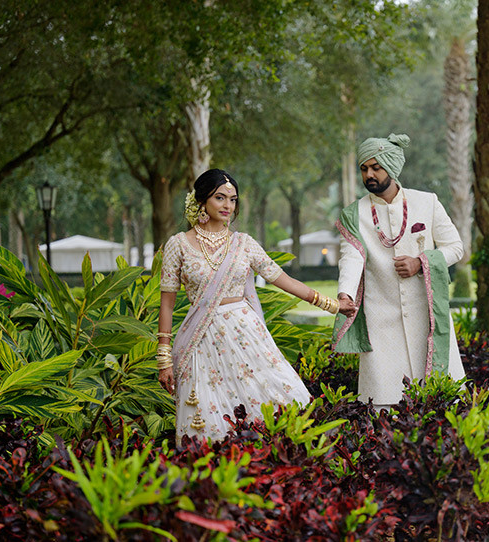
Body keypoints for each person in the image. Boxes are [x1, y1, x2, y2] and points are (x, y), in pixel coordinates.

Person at [157, 169, 339, 442]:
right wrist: (163, 358)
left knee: (275, 397)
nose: (228, 205)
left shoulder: (244, 244)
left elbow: (285, 280)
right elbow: (167, 305)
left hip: (246, 335)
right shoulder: (178, 245)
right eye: (220, 198)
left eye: (233, 199)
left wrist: (331, 304)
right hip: (201, 338)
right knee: (209, 415)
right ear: (202, 200)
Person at [333, 133, 466, 409]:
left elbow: (456, 248)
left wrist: (421, 262)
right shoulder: (354, 213)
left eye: (376, 167)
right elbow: (351, 257)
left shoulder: (426, 202)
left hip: (426, 314)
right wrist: (345, 293)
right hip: (380, 317)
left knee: (439, 399)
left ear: (391, 167)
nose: (369, 174)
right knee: (383, 399)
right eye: (364, 168)